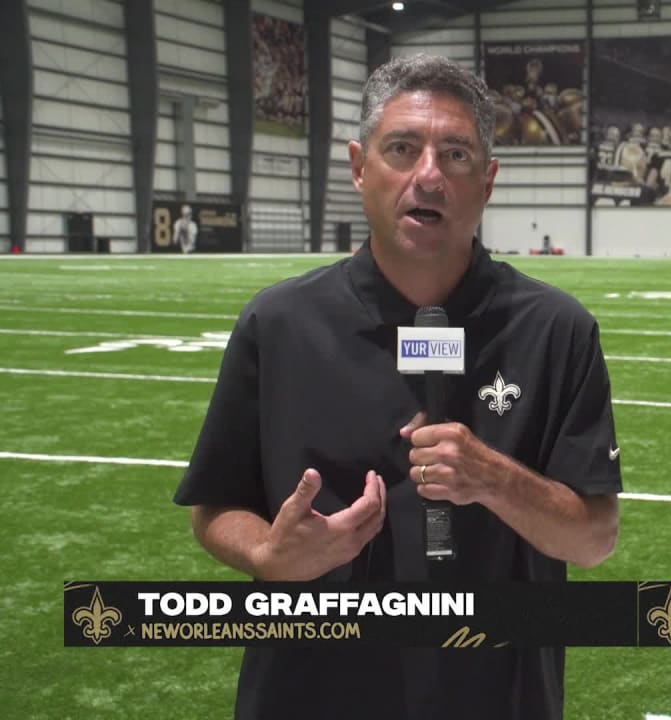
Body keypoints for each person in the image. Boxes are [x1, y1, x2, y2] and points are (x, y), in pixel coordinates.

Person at [173, 54, 622, 720]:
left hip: (496, 695)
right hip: (309, 692)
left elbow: (593, 538)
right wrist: (268, 554)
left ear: (489, 180)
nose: (429, 176)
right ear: (359, 167)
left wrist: (494, 479)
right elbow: (215, 508)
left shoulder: (557, 331)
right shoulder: (279, 324)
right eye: (403, 149)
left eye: (457, 155)